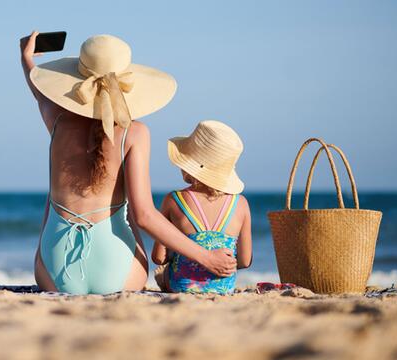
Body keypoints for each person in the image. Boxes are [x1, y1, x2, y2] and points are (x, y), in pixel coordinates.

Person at [21, 31, 237, 295]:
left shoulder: (57, 121)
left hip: (55, 271)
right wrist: (207, 258)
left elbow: (40, 93)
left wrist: (27, 58)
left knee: (53, 204)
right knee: (126, 210)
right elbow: (144, 216)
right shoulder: (134, 133)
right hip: (116, 269)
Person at [152, 120, 252, 294]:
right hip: (224, 288)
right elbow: (244, 261)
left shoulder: (173, 199)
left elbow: (158, 258)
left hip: (181, 286)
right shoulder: (241, 204)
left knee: (165, 271)